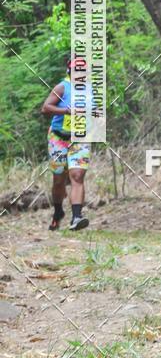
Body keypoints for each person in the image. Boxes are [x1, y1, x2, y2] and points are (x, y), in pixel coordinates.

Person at [41, 58, 92, 231]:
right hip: (58, 138)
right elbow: (45, 108)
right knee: (59, 179)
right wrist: (65, 110)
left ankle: (77, 217)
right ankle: (58, 212)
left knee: (77, 176)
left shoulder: (91, 90)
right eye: (75, 70)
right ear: (69, 71)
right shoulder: (62, 87)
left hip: (79, 138)